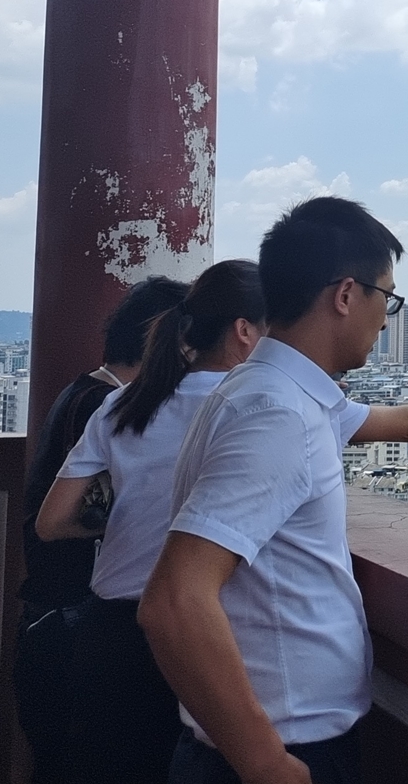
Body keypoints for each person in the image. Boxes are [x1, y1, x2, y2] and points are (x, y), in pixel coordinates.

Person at [140, 197, 408, 784]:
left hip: (277, 739)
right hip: (278, 747)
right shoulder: (278, 416)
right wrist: (266, 764)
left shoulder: (278, 393)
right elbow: (175, 600)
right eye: (387, 298)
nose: (386, 320)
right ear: (347, 295)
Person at [36, 260, 267, 784]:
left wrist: (127, 520)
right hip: (203, 630)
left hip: (109, 630)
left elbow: (52, 522)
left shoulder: (120, 403)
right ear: (245, 331)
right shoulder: (257, 406)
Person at [17, 275, 187, 784]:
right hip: (76, 623)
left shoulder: (87, 394)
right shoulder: (109, 407)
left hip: (54, 623)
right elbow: (71, 519)